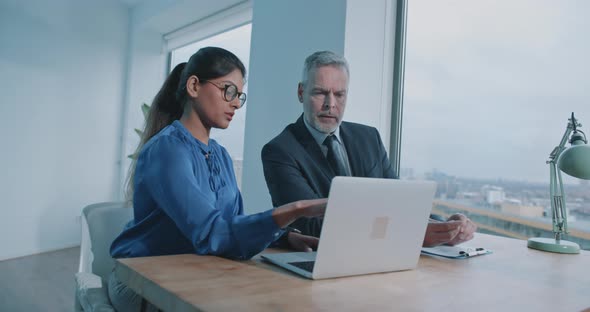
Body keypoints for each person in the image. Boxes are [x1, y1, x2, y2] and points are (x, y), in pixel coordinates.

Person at [108, 47, 326, 312]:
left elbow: (231, 227)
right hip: (141, 280)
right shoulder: (166, 150)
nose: (235, 103)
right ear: (194, 86)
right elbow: (211, 233)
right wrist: (293, 210)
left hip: (193, 272)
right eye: (228, 91)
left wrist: (284, 238)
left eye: (239, 96)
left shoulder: (221, 155)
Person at [261, 50, 476, 248]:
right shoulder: (280, 151)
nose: (330, 104)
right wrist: (412, 233)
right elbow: (313, 225)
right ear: (301, 93)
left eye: (340, 94)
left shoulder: (368, 137)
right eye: (320, 92)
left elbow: (398, 202)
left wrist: (444, 226)